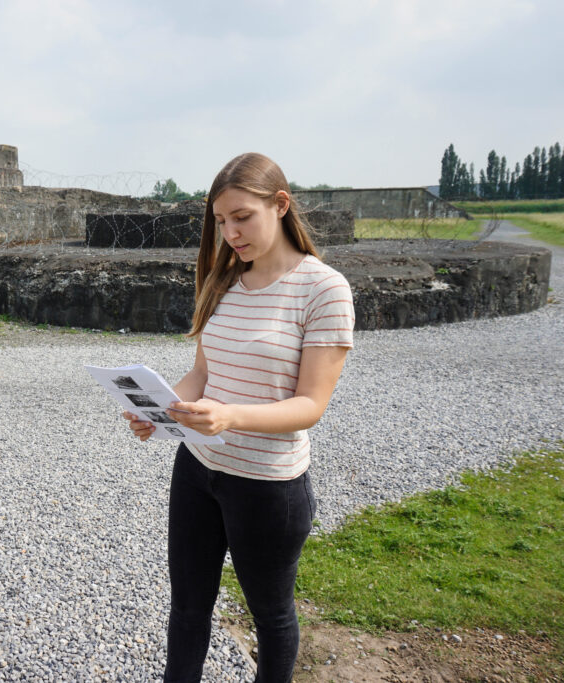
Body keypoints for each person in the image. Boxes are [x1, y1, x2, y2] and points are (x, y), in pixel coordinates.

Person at [122, 153, 354, 682]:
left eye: (242, 217)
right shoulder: (223, 279)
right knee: (187, 609)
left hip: (268, 485)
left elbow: (310, 406)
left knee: (271, 617)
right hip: (197, 469)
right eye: (221, 220)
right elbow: (202, 373)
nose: (230, 233)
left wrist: (229, 416)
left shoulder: (324, 289)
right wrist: (158, 410)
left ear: (281, 205)